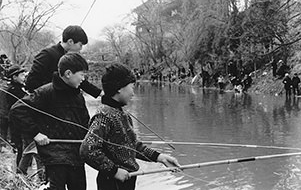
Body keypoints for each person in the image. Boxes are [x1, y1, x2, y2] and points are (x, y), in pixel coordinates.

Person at [80, 62, 180, 190]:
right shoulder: (104, 115)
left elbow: (132, 145)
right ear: (119, 88)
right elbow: (88, 149)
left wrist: (160, 157)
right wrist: (114, 171)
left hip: (127, 180)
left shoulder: (122, 114)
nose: (133, 93)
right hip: (111, 183)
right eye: (132, 87)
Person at [10, 53, 90, 190]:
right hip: (54, 157)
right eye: (82, 74)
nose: (83, 79)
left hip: (76, 157)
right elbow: (17, 110)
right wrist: (36, 133)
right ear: (69, 73)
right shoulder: (45, 92)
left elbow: (85, 123)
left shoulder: (78, 96)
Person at [25, 25, 104, 98]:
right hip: (49, 102)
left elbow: (79, 80)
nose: (81, 49)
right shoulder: (47, 54)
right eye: (80, 45)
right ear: (70, 42)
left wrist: (100, 93)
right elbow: (31, 82)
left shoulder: (72, 58)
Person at [0, 65, 27, 154]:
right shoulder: (12, 91)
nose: (24, 77)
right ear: (14, 77)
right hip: (16, 122)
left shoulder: (21, 88)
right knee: (21, 148)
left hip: (19, 121)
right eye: (22, 75)